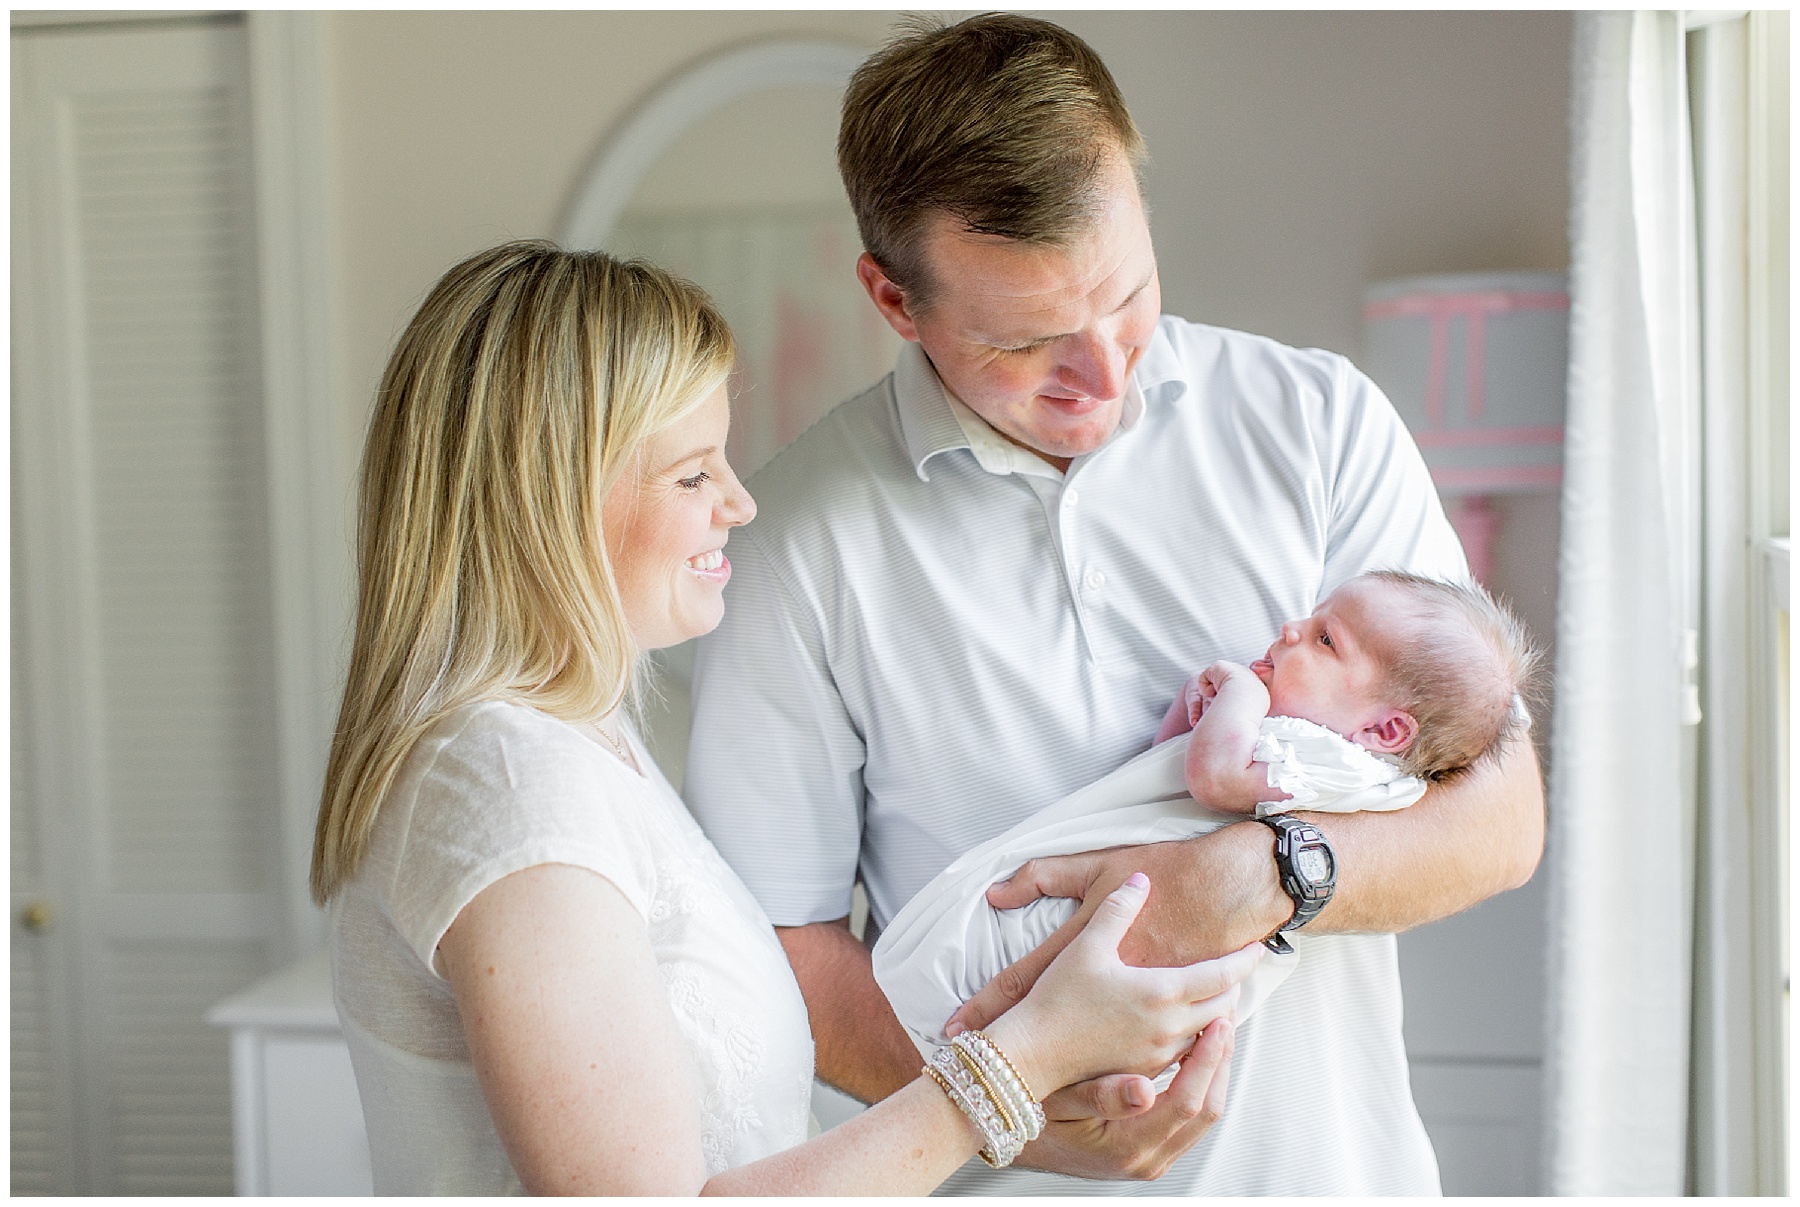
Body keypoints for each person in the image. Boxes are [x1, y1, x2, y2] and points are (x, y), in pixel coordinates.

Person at [685, 14, 1546, 1194]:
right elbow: (786, 952)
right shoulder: (794, 546)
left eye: (1128, 295)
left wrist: (1270, 874)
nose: (1103, 373)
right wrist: (1020, 1114)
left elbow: (1501, 814)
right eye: (1030, 341)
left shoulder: (1318, 423)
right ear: (895, 301)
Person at [313, 241, 1262, 1195]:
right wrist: (1019, 1062)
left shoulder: (576, 746)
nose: (739, 500)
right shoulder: (510, 778)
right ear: (546, 502)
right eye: (692, 475)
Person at [873, 571, 1541, 1053]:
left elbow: (1213, 776)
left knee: (1023, 961)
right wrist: (1196, 711)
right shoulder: (1315, 747)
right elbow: (1169, 763)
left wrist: (1243, 692)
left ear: (1386, 732)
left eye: (1325, 640)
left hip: (1171, 920)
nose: (1290, 628)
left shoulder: (1336, 764)